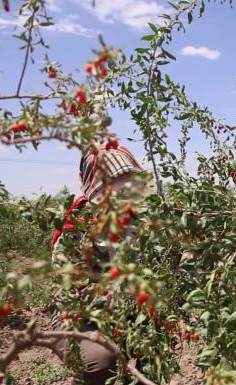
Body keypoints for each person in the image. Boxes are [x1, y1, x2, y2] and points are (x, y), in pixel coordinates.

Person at [50, 140, 149, 385]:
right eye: (114, 186)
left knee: (154, 336)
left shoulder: (141, 223)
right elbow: (70, 299)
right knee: (101, 359)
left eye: (130, 184)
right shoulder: (75, 232)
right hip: (79, 321)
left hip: (126, 313)